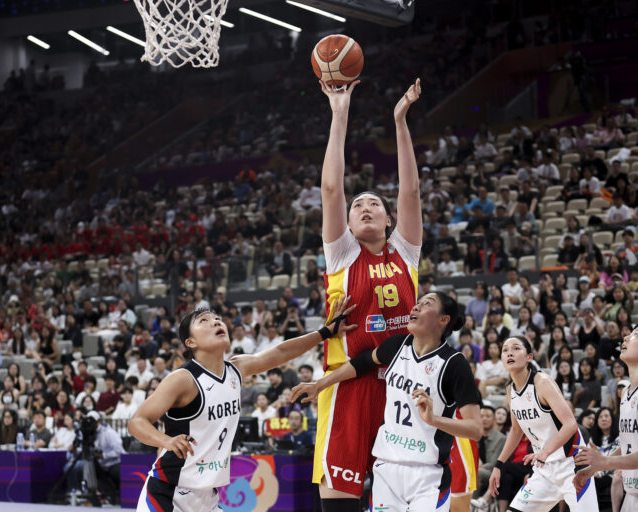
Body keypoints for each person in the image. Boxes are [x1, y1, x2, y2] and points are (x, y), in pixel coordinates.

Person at [128, 297, 356, 512]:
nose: (216, 321)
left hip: (208, 496)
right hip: (169, 493)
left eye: (216, 318)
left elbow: (281, 352)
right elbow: (137, 422)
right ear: (191, 342)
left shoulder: (236, 368)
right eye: (204, 321)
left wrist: (325, 332)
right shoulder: (183, 379)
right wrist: (166, 440)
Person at [313, 78, 425, 510]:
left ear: (388, 217)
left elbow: (411, 190)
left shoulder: (406, 252)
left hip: (401, 383)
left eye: (374, 203)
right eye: (357, 204)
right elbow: (330, 190)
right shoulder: (341, 253)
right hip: (349, 382)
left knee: (399, 500)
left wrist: (400, 122)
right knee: (341, 501)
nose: (363, 207)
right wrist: (339, 113)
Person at [292, 292, 481, 511]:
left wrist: (433, 419)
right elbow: (360, 363)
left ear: (443, 319)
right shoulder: (397, 346)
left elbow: (475, 429)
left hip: (428, 474)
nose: (416, 308)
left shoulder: (454, 364)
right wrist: (320, 384)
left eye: (426, 304)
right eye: (417, 303)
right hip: (386, 470)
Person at [488, 336, 599, 511]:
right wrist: (498, 465)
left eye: (516, 348)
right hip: (544, 469)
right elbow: (516, 431)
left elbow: (571, 424)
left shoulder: (542, 382)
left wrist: (544, 452)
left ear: (529, 357)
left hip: (572, 464)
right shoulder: (510, 390)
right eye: (505, 350)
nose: (510, 352)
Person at [573, 322, 638, 512]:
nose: (625, 337)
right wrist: (594, 468)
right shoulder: (626, 393)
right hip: (631, 493)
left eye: (635, 335)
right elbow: (629, 443)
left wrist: (605, 462)